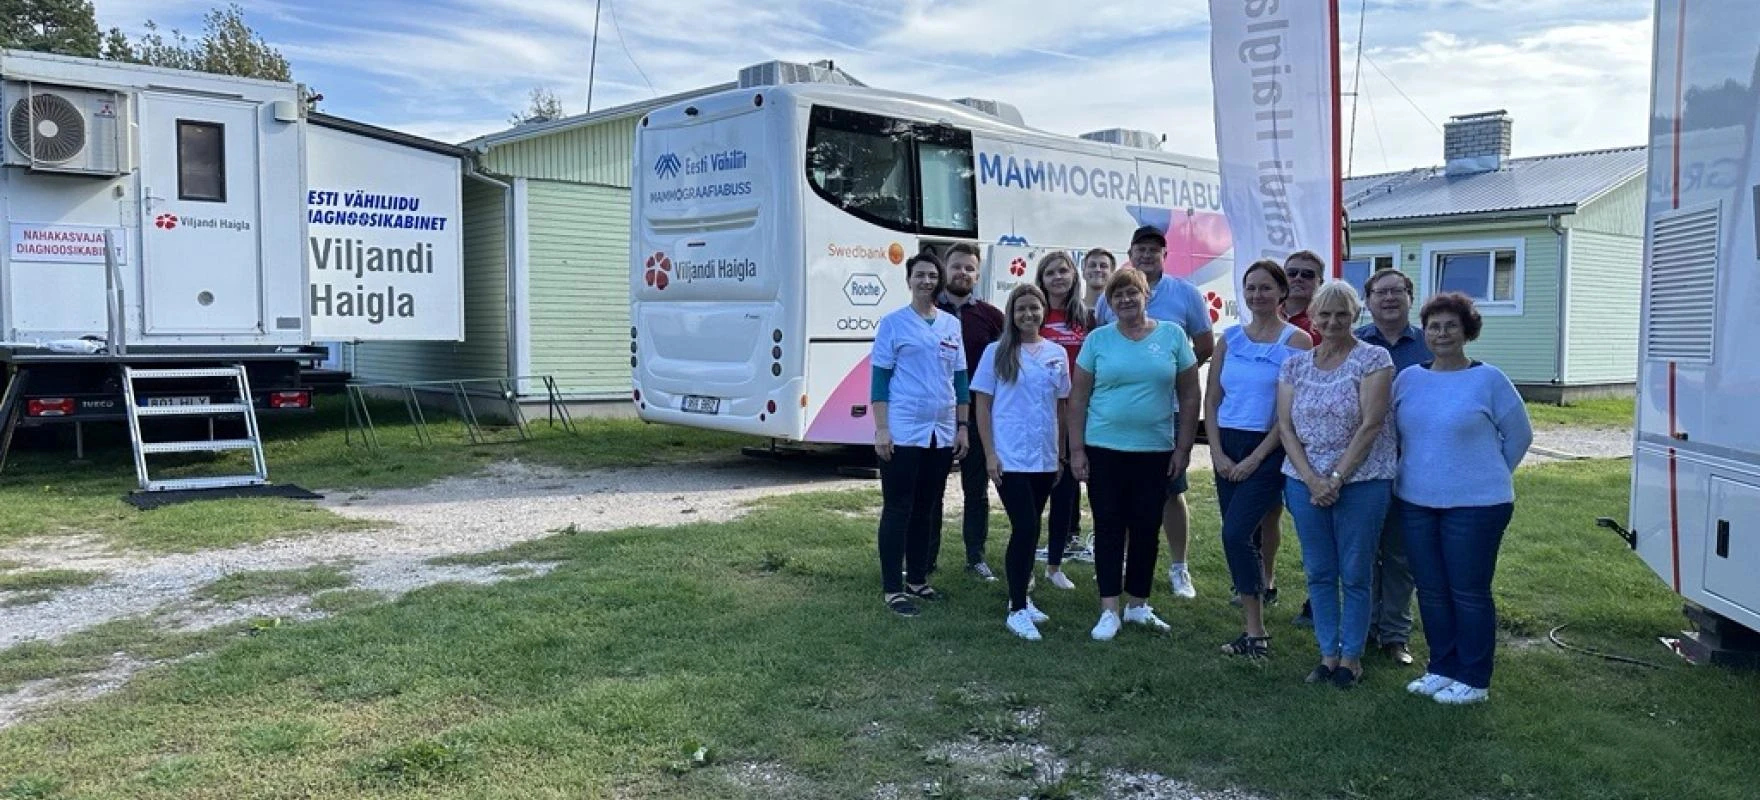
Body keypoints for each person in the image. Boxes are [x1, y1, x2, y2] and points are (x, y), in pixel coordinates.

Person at [1393, 292, 1533, 705]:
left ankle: (1474, 678)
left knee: (1468, 592)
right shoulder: (1409, 379)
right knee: (1431, 590)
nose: (1441, 334)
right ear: (1424, 332)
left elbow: (1520, 436)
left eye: (1450, 326)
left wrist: (1486, 474)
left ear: (1467, 331)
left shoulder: (1489, 380)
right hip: (1416, 501)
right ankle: (1441, 667)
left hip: (1477, 506)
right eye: (1434, 326)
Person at [1275, 281, 1396, 687]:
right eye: (1324, 314)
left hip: (1362, 481)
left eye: (1342, 314)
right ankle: (1327, 654)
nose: (1332, 322)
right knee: (1319, 571)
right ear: (1312, 316)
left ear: (1355, 316)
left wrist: (1336, 478)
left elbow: (1371, 424)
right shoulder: (1295, 365)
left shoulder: (1373, 358)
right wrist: (1312, 479)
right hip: (1304, 483)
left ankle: (1351, 659)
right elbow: (1286, 427)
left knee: (1356, 572)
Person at [1069, 269, 1200, 640]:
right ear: (1110, 303)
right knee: (1109, 526)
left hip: (1155, 450)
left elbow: (1190, 394)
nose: (1125, 300)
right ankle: (1109, 608)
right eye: (1117, 295)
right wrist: (1076, 450)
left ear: (1146, 295)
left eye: (1132, 293)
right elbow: (1078, 398)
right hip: (1103, 449)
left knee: (1146, 527)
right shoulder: (1098, 340)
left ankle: (1138, 604)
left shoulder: (1173, 336)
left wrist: (1184, 447)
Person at [1096, 225, 1215, 599]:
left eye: (1154, 250)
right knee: (1122, 496)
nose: (1146, 255)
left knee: (1170, 491)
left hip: (1168, 413)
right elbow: (1102, 345)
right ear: (1130, 254)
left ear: (1165, 255)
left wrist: (1171, 376)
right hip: (1116, 421)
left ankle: (1179, 567)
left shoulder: (1185, 294)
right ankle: (1125, 564)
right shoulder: (1111, 294)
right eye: (1140, 249)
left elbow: (1205, 344)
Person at [1206, 260, 1312, 658]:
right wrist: (1216, 451)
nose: (1257, 295)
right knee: (1240, 536)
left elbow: (1291, 412)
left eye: (1266, 288)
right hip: (1227, 443)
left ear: (1282, 292)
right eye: (1250, 288)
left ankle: (1256, 632)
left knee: (1235, 534)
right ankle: (1253, 623)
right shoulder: (1230, 339)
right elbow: (1212, 399)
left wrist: (1256, 458)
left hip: (1269, 447)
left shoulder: (1297, 341)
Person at [871, 251, 970, 617]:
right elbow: (880, 379)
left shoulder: (950, 325)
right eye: (920, 275)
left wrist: (963, 426)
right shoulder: (893, 324)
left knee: (927, 507)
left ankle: (917, 579)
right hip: (903, 428)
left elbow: (960, 378)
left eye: (932, 275)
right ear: (909, 280)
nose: (926, 281)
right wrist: (882, 428)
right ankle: (892, 589)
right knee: (898, 507)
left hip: (940, 430)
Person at [973, 284, 1072, 640]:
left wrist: (1061, 453)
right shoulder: (996, 352)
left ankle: (1023, 598)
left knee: (1032, 530)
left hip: (1044, 458)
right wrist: (989, 453)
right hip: (1009, 457)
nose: (1028, 314)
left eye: (1034, 308)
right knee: (1025, 527)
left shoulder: (1057, 353)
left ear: (1043, 311)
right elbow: (982, 405)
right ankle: (1016, 609)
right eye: (1021, 309)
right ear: (1011, 314)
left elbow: (1061, 407)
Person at [1355, 267, 1433, 667]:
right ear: (1367, 301)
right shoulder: (1354, 343)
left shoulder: (1429, 345)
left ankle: (1395, 635)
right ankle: (1365, 627)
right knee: (1364, 552)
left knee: (1400, 556)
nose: (1388, 298)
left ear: (1410, 298)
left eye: (1397, 291)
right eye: (1380, 292)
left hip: (1413, 464)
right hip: (1363, 465)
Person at [934, 243, 1006, 581]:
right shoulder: (930, 311)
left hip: (978, 415)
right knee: (931, 491)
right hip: (936, 414)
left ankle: (975, 557)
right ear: (945, 270)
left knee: (975, 491)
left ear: (977, 275)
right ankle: (925, 558)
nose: (962, 273)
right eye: (956, 266)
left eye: (969, 268)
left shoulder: (992, 317)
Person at [1035, 251, 1092, 589]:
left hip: (1077, 416)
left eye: (1063, 271)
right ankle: (1024, 559)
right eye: (1050, 272)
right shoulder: (1033, 314)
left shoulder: (1087, 318)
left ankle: (1055, 565)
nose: (1058, 277)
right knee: (1034, 492)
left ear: (1073, 277)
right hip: (1040, 415)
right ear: (1041, 279)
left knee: (1065, 491)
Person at [1282, 250, 1324, 345]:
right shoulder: (1267, 315)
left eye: (1307, 274)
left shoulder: (1327, 322)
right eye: (1292, 273)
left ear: (1320, 283)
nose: (1298, 278)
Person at [1079, 248, 1115, 320]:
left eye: (1103, 266)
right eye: (1092, 265)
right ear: (1083, 273)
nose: (1097, 269)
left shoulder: (1117, 311)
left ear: (1112, 274)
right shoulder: (1072, 309)